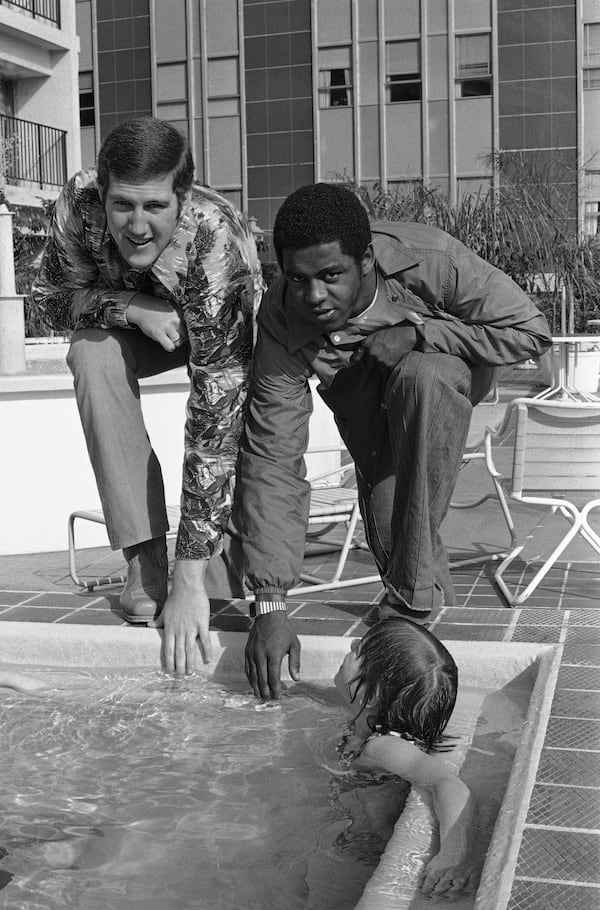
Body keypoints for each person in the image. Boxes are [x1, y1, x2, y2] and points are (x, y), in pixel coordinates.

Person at [238, 182, 552, 698]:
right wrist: (270, 603)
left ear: (365, 261)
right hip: (364, 409)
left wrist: (421, 333)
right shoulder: (280, 315)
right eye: (297, 279)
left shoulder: (430, 260)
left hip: (439, 382)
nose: (313, 297)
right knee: (402, 543)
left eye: (330, 275)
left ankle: (410, 608)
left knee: (423, 376)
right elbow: (273, 455)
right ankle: (423, 640)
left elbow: (530, 332)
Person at [31, 118, 263, 668]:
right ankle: (144, 557)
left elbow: (216, 415)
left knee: (230, 426)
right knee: (91, 352)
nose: (137, 226)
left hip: (217, 326)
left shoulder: (215, 241)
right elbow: (46, 303)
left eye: (155, 207)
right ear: (103, 192)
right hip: (138, 324)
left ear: (182, 197)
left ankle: (208, 557)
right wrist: (128, 306)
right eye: (123, 206)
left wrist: (191, 582)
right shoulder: (77, 206)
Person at [322, 615, 478, 900]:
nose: (353, 643)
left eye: (359, 650)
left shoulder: (382, 746)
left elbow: (448, 783)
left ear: (372, 694)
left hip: (363, 850)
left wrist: (454, 855)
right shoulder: (370, 725)